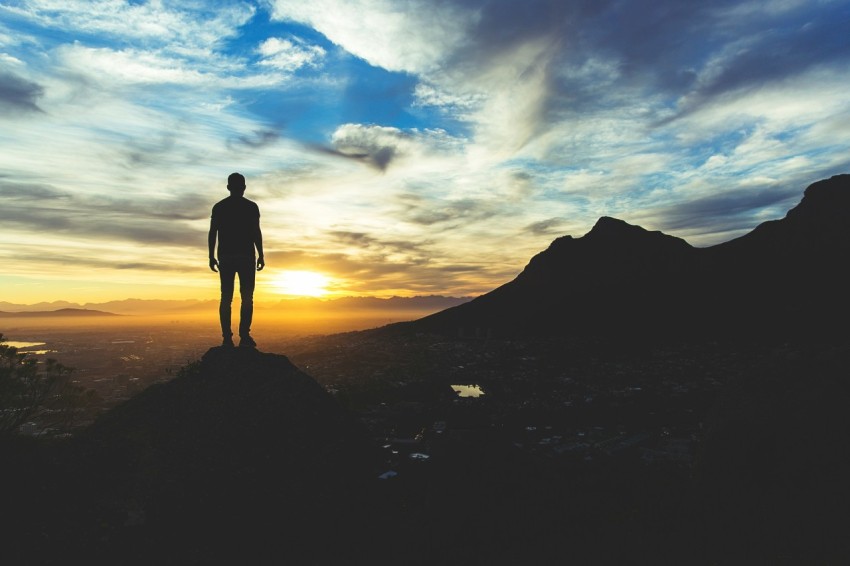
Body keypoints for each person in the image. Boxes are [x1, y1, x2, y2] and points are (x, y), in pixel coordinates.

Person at [208, 172, 265, 347]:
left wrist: (211, 255)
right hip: (246, 256)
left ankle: (227, 338)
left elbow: (213, 233)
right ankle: (244, 336)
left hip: (226, 256)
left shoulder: (219, 207)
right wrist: (261, 254)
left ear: (228, 187)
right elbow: (256, 232)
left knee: (226, 298)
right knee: (247, 297)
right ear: (244, 188)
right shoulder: (251, 207)